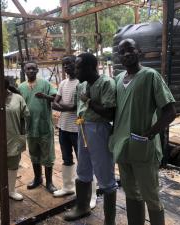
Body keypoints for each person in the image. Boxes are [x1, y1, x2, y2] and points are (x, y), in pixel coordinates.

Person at [109, 39, 176, 225]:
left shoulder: (150, 76)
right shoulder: (117, 79)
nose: (126, 54)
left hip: (143, 147)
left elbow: (170, 112)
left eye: (130, 49)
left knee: (151, 195)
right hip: (123, 147)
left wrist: (150, 133)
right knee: (131, 193)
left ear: (140, 52)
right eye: (121, 52)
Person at [64, 53, 117, 225]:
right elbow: (78, 107)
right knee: (83, 169)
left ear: (90, 67)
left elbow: (110, 113)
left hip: (99, 129)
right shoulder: (82, 86)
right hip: (82, 127)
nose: (75, 70)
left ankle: (110, 220)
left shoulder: (106, 83)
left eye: (78, 67)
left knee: (105, 174)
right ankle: (82, 207)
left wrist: (88, 101)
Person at [52, 55, 97, 209]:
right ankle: (67, 187)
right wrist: (62, 105)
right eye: (64, 65)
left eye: (70, 64)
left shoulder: (82, 83)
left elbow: (73, 107)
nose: (66, 67)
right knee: (66, 158)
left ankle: (92, 194)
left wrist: (61, 105)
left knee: (85, 162)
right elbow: (55, 103)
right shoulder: (63, 83)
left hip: (78, 129)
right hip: (63, 127)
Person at [18, 61, 57, 193]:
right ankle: (37, 178)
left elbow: (55, 98)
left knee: (48, 155)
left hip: (44, 126)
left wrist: (44, 96)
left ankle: (50, 182)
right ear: (24, 70)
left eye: (33, 69)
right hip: (30, 127)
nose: (31, 71)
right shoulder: (21, 87)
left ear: (37, 70)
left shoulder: (45, 84)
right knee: (34, 154)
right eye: (28, 69)